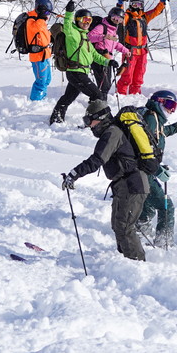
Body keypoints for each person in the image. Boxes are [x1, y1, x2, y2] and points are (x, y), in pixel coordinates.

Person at [60, 99, 148, 261]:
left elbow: (97, 160)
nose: (88, 126)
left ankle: (137, 263)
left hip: (132, 185)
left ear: (100, 118)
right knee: (117, 225)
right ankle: (125, 261)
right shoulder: (111, 132)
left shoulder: (112, 133)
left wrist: (74, 174)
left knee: (125, 227)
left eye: (89, 121)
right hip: (123, 185)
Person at [137, 90, 177, 246]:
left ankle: (139, 229)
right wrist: (156, 170)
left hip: (145, 171)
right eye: (170, 104)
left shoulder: (155, 119)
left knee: (150, 204)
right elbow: (142, 151)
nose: (172, 110)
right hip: (143, 171)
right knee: (166, 206)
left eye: (175, 106)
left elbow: (163, 133)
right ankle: (164, 242)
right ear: (159, 102)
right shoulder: (151, 119)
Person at [48, 2, 109, 125]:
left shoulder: (86, 37)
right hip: (75, 71)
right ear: (77, 20)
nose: (86, 22)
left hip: (81, 72)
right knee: (97, 95)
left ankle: (56, 118)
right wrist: (69, 12)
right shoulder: (72, 34)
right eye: (83, 19)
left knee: (69, 97)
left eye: (89, 20)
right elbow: (67, 24)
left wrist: (109, 61)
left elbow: (95, 55)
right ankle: (92, 121)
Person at [115, 0, 167, 96]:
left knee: (139, 77)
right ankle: (121, 95)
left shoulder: (144, 17)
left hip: (142, 52)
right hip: (130, 51)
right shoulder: (127, 17)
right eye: (134, 4)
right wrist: (120, 3)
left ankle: (135, 96)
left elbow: (156, 12)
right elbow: (119, 14)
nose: (137, 7)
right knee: (127, 76)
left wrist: (162, 2)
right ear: (130, 5)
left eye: (139, 5)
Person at [88, 6, 130, 97]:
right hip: (99, 56)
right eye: (114, 18)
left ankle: (101, 101)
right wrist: (103, 37)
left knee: (106, 85)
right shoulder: (102, 27)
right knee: (103, 85)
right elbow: (89, 37)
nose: (116, 21)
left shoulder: (113, 30)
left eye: (119, 19)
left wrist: (125, 50)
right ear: (110, 16)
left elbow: (115, 44)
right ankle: (98, 101)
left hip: (108, 58)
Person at [23, 0, 55, 101]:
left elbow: (43, 34)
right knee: (40, 81)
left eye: (48, 13)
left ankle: (42, 98)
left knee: (47, 80)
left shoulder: (40, 20)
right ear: (38, 9)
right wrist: (41, 17)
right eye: (45, 12)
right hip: (37, 56)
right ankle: (35, 102)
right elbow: (35, 28)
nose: (47, 15)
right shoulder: (31, 19)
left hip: (45, 55)